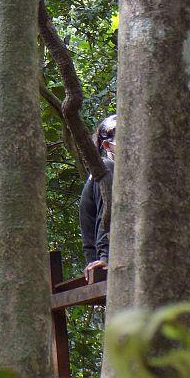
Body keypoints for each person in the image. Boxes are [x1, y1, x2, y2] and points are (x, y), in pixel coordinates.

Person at [79, 113, 116, 278]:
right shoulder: (105, 169)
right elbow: (105, 214)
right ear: (107, 146)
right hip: (103, 255)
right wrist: (104, 256)